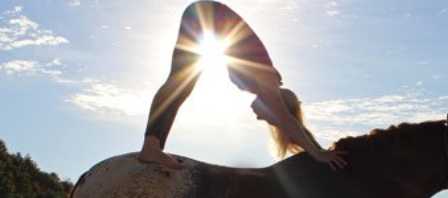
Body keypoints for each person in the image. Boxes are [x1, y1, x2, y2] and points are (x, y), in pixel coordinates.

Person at [138, 1, 346, 170]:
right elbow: (289, 122)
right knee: (179, 85)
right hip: (207, 15)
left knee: (182, 88)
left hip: (208, 22)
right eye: (266, 117)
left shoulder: (262, 81)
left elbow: (289, 122)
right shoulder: (267, 81)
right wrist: (319, 153)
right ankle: (151, 147)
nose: (258, 117)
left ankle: (155, 148)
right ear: (275, 107)